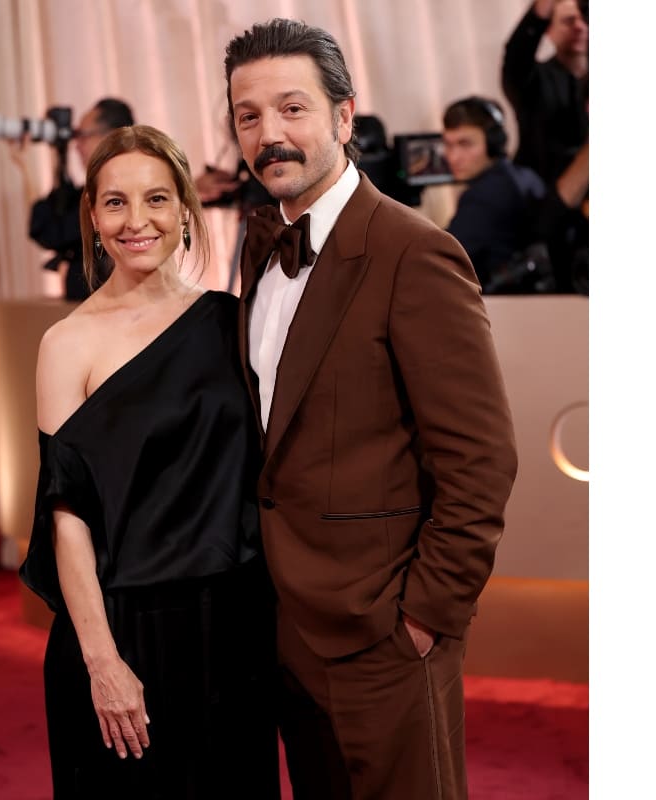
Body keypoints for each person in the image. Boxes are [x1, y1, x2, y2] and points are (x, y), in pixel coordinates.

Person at [224, 18, 518, 800]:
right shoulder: (259, 246)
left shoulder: (413, 253)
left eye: (292, 109)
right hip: (284, 630)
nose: (270, 135)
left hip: (386, 635)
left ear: (344, 117)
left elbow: (481, 460)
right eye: (248, 116)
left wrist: (424, 618)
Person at [18, 124, 279, 799]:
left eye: (157, 199)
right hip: (122, 630)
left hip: (234, 632)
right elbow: (64, 514)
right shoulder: (67, 343)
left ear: (187, 211)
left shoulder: (232, 322)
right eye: (115, 203)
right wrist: (102, 662)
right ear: (93, 219)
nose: (138, 221)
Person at [10, 98, 135, 300]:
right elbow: (57, 212)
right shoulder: (99, 188)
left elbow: (51, 231)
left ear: (111, 137)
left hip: (107, 316)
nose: (77, 145)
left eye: (83, 136)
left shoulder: (113, 194)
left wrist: (26, 168)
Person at [441, 96, 549, 293]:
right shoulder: (527, 177)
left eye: (465, 144)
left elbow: (442, 259)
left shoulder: (483, 196)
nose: (453, 157)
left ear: (493, 144)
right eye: (448, 145)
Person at [501, 0, 588, 185]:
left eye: (586, 19)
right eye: (569, 21)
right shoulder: (533, 80)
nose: (580, 27)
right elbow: (517, 54)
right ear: (548, 30)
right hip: (545, 195)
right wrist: (541, 10)